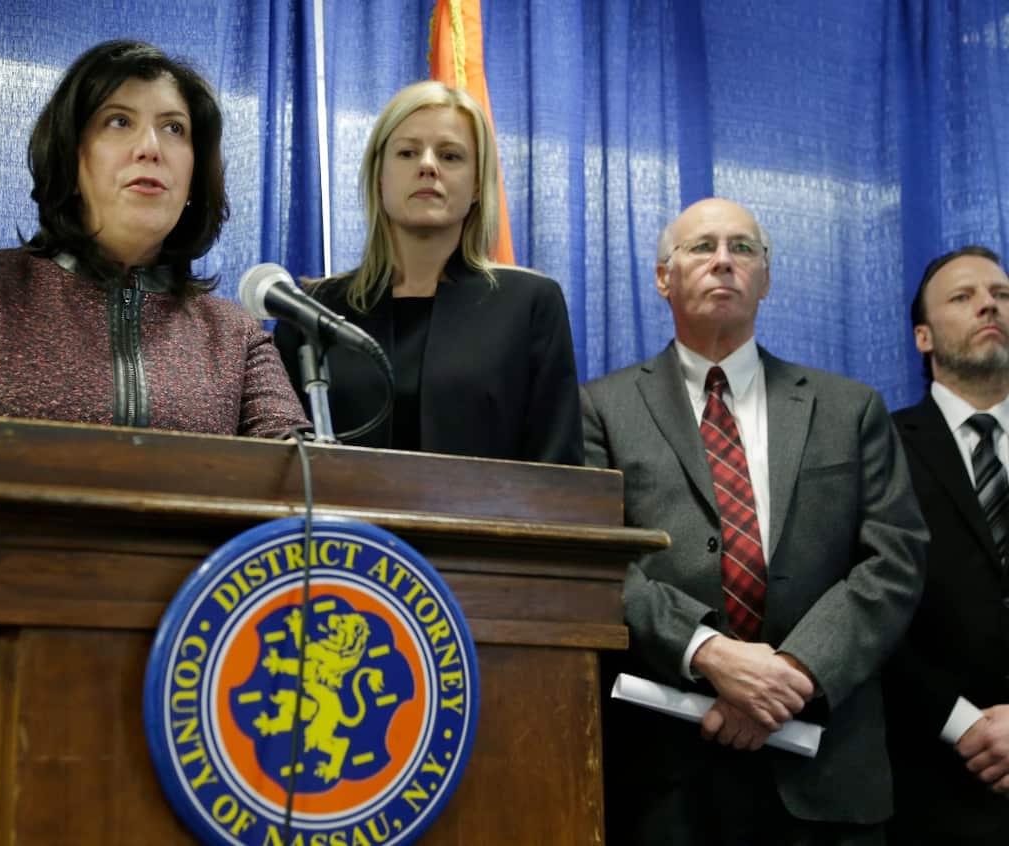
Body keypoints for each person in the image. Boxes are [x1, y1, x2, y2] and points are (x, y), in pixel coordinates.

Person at [579, 197, 928, 845]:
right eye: (701, 247)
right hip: (667, 773)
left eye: (743, 248)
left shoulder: (849, 408)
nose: (723, 261)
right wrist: (709, 653)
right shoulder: (598, 408)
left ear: (765, 277)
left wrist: (788, 674)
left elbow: (896, 558)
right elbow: (594, 565)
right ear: (664, 277)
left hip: (825, 768)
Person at [0, 40, 307, 522]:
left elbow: (301, 485)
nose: (150, 148)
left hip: (197, 593)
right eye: (119, 121)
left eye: (174, 128)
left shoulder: (234, 334)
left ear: (194, 176)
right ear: (71, 158)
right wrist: (55, 511)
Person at [273, 81, 581, 464]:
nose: (427, 165)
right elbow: (280, 460)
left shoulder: (530, 304)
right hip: (341, 525)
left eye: (450, 156)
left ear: (476, 187)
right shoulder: (310, 310)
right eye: (407, 152)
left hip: (486, 523)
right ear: (380, 177)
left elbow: (559, 470)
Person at [885, 245, 1009, 846]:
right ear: (923, 337)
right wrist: (966, 725)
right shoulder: (876, 446)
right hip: (934, 784)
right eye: (963, 297)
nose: (989, 304)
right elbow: (861, 604)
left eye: (1001, 294)